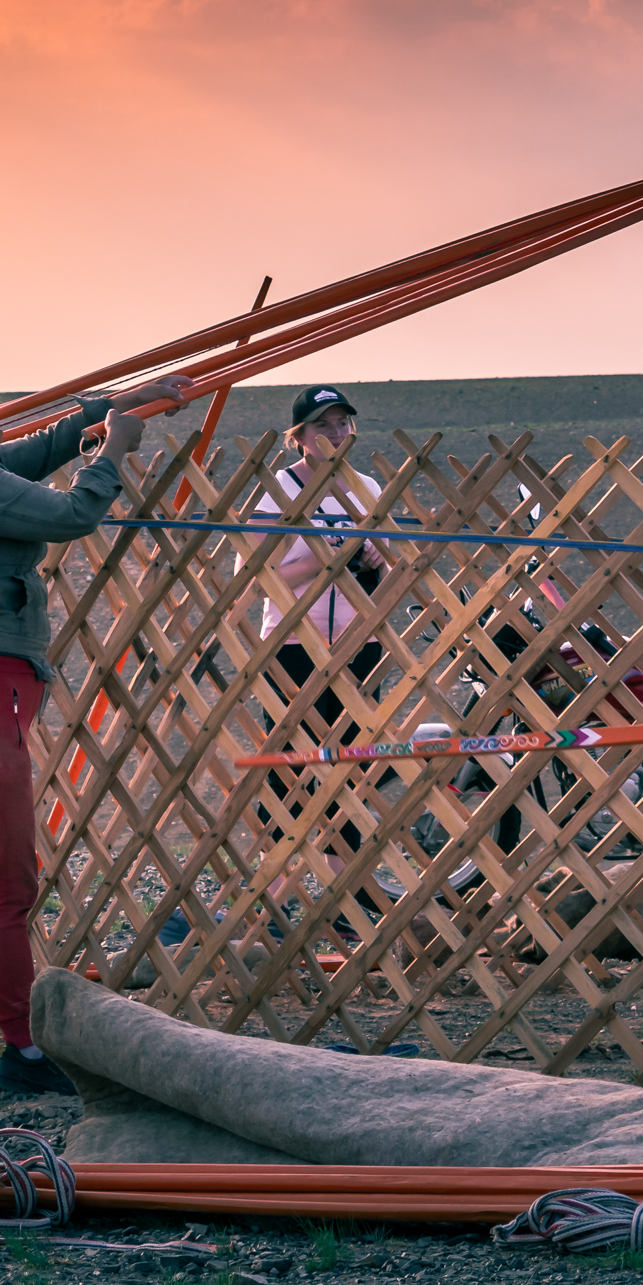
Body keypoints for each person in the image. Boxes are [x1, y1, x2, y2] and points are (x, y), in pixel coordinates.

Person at [0, 328, 186, 1095]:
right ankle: (22, 1051)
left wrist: (103, 410)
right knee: (4, 890)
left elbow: (32, 452)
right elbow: (71, 513)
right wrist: (114, 447)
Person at [246, 387, 396, 927]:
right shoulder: (277, 491)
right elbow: (263, 578)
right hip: (294, 646)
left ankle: (344, 897)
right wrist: (323, 557)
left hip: (358, 644)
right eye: (322, 426)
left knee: (351, 770)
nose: (335, 434)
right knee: (291, 770)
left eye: (342, 424)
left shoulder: (366, 488)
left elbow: (388, 571)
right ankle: (274, 899)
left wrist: (378, 557)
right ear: (299, 437)